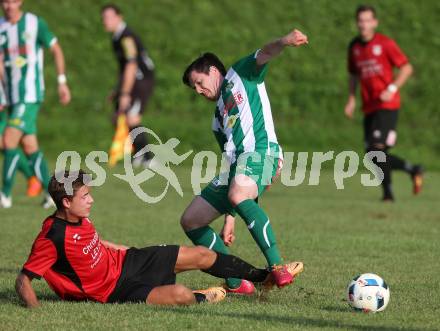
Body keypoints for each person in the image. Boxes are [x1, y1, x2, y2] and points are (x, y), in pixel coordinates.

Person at [16, 170, 275, 308]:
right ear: (66, 202)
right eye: (85, 196)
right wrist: (36, 312)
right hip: (115, 291)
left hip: (129, 261)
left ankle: (266, 277)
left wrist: (128, 251)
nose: (91, 200)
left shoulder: (79, 218)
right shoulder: (52, 237)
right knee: (180, 294)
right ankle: (203, 297)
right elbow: (23, 280)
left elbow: (97, 243)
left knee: (201, 254)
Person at [180, 28, 308, 294]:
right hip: (239, 167)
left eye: (200, 82)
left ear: (214, 71)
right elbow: (232, 170)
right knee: (191, 220)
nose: (199, 90)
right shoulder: (218, 119)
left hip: (262, 152)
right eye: (195, 88)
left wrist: (284, 41)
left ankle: (276, 266)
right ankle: (237, 283)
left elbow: (266, 52)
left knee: (238, 193)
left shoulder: (240, 74)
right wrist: (230, 218)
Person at [344, 4, 423, 201]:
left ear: (375, 22)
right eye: (360, 20)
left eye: (367, 20)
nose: (363, 24)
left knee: (375, 152)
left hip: (387, 106)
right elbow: (353, 74)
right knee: (375, 155)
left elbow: (406, 68)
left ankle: (401, 181)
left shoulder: (385, 43)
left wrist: (392, 88)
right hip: (369, 106)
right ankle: (399, 183)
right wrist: (352, 99)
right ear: (357, 23)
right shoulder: (354, 46)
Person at [0, 0, 71, 208]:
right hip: (11, 97)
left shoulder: (34, 23)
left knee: (8, 141)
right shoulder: (2, 27)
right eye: (5, 1)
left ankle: (5, 195)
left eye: (13, 1)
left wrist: (62, 82)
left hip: (29, 95)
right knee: (29, 145)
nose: (9, 5)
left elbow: (56, 50)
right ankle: (53, 194)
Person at [101, 4, 155, 168]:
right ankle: (139, 153)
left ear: (120, 17)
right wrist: (117, 90)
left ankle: (148, 157)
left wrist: (124, 93)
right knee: (120, 116)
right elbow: (124, 67)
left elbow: (131, 66)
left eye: (109, 17)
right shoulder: (116, 37)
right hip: (131, 80)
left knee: (132, 117)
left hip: (141, 81)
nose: (106, 21)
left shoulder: (126, 37)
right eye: (103, 18)